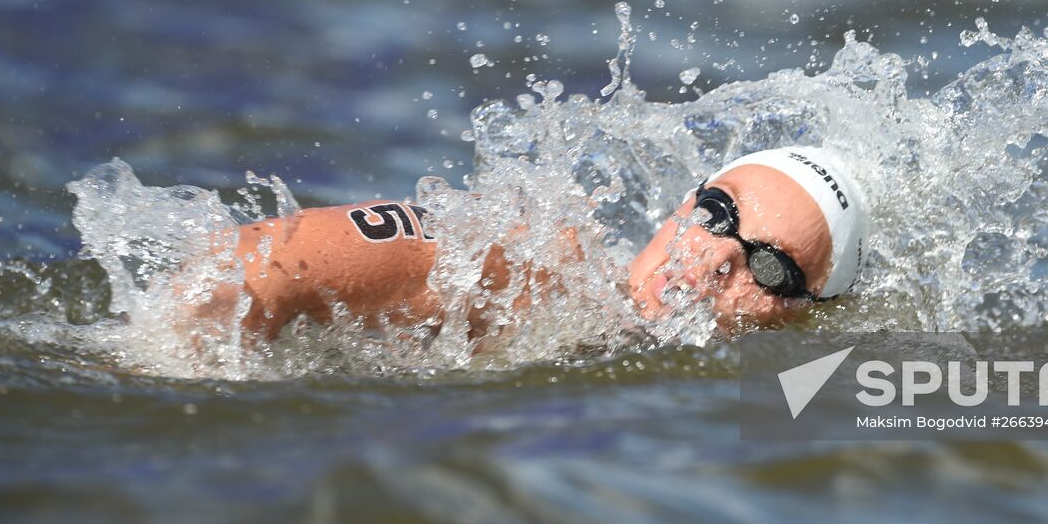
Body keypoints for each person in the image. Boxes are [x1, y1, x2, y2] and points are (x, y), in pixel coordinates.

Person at [194, 146, 870, 342]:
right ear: (681, 209)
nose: (721, 256)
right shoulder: (530, 267)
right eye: (719, 214)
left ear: (807, 311)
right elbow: (249, 265)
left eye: (771, 265)